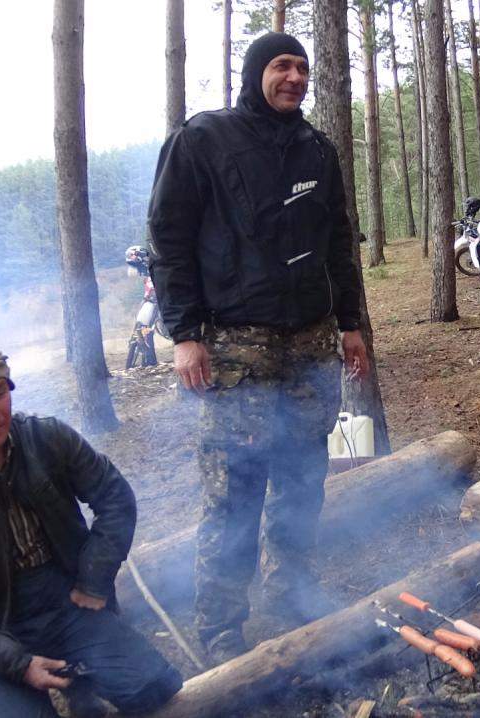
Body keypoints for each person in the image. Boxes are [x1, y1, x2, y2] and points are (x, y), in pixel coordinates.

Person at [146, 32, 368, 664]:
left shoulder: (317, 149)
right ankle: (220, 626)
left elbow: (338, 241)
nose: (294, 77)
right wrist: (184, 333)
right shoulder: (203, 140)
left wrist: (350, 322)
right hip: (234, 348)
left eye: (302, 67)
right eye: (281, 66)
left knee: (302, 480)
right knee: (234, 491)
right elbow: (168, 240)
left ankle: (291, 592)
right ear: (254, 73)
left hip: (310, 341)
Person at [0, 338, 182, 717]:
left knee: (154, 687)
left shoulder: (46, 438)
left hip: (65, 602)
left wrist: (93, 578)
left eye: (0, 393)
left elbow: (115, 497)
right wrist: (19, 664)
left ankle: (81, 685)